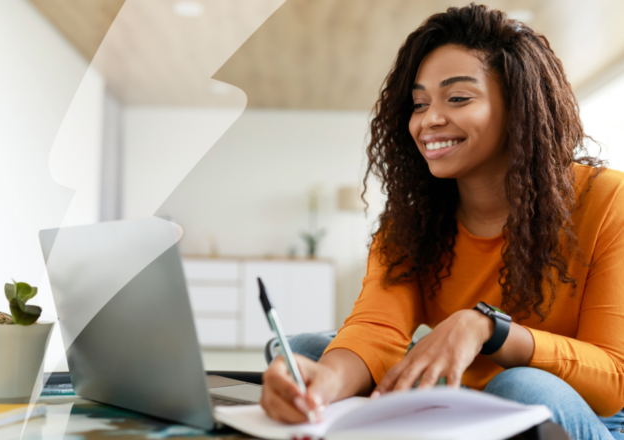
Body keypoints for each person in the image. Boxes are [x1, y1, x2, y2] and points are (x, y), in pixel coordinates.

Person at [260, 4, 624, 439]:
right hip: (462, 395)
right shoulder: (413, 221)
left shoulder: (608, 200)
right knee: (309, 353)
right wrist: (322, 388)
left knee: (520, 386)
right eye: (419, 103)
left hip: (587, 413)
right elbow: (377, 329)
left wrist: (489, 329)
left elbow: (614, 381)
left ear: (519, 107)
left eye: (458, 98)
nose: (429, 120)